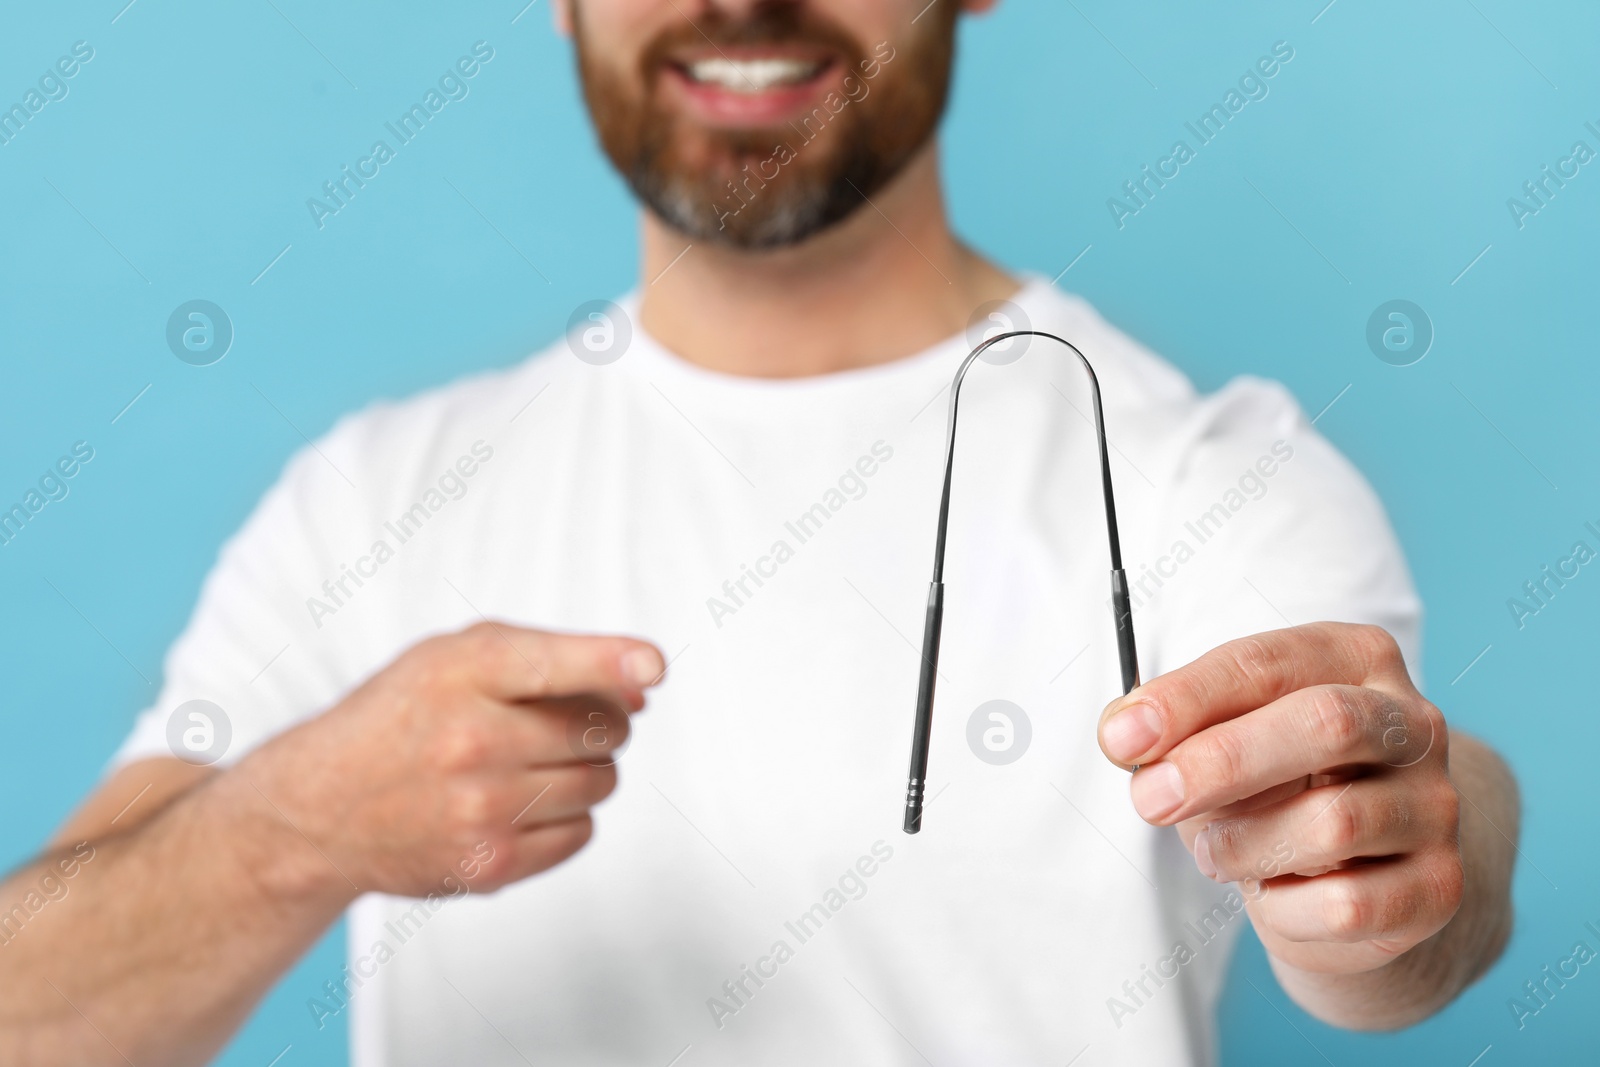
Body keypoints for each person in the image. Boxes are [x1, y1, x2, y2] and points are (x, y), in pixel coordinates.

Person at [0, 1, 1518, 1064]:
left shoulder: (1207, 472)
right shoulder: (372, 499)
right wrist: (292, 826)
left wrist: (1395, 882)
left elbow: (1420, 862)